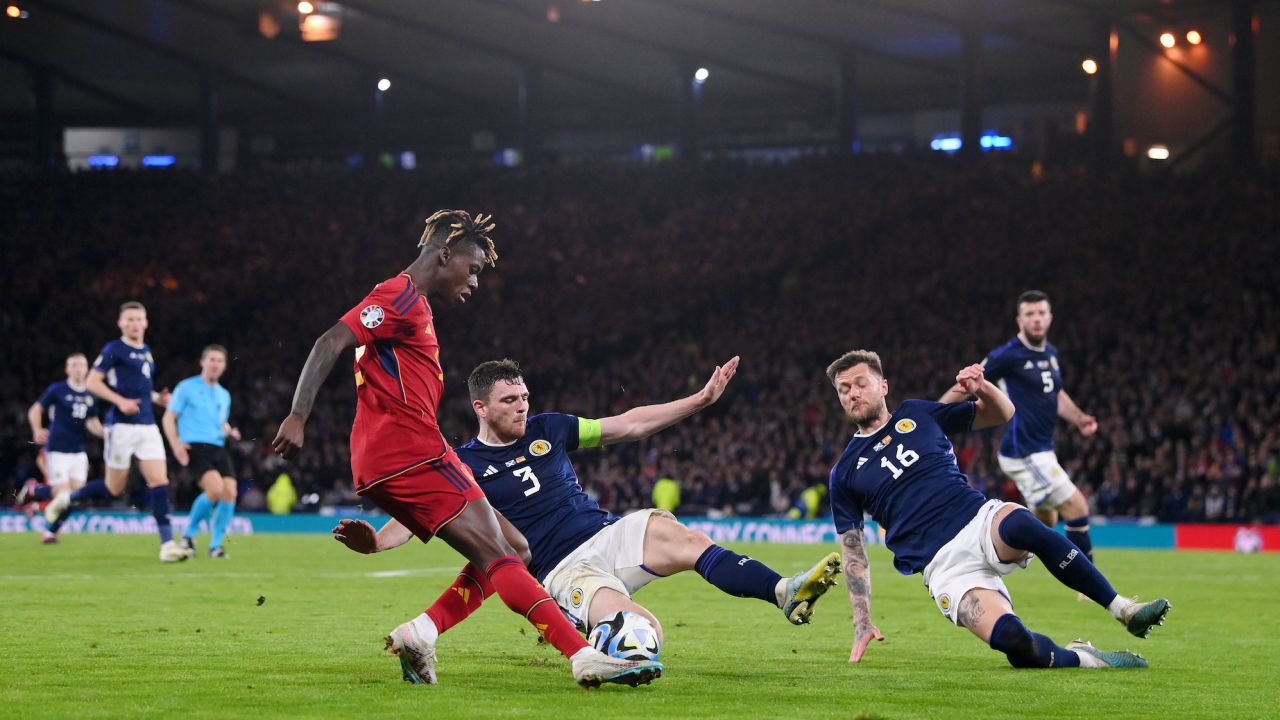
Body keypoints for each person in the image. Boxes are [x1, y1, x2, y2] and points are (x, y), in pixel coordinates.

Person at [270, 210, 660, 689]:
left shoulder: (414, 307)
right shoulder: (400, 296)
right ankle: (582, 655)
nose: (474, 282)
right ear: (445, 254)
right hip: (410, 452)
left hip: (392, 457)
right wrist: (297, 414)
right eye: (472, 269)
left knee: (514, 545)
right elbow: (330, 341)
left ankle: (420, 633)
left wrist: (377, 540)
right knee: (503, 556)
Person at [333, 357, 840, 683]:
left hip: (607, 532)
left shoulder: (549, 429)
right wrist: (378, 543)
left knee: (682, 535)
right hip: (561, 570)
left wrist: (701, 400)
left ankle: (783, 590)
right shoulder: (464, 463)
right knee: (638, 629)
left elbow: (630, 423)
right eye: (510, 400)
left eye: (525, 396)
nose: (522, 407)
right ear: (480, 407)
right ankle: (621, 650)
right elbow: (425, 516)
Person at [827, 349, 1170, 669]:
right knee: (1017, 644)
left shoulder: (917, 413)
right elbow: (853, 552)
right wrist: (862, 621)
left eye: (860, 384)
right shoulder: (844, 472)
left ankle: (1124, 609)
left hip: (979, 521)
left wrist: (983, 387)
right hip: (944, 568)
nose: (852, 394)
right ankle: (1085, 657)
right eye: (844, 389)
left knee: (1024, 525)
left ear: (883, 385)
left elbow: (1003, 412)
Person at [941, 290, 1100, 565]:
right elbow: (968, 383)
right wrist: (934, 416)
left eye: (1041, 313)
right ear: (1019, 320)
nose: (1036, 320)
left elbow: (1056, 394)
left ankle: (986, 553)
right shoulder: (1008, 355)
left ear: (1049, 318)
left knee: (1045, 521)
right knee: (1077, 506)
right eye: (1030, 314)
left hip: (1042, 450)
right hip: (1023, 451)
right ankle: (1087, 582)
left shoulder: (1050, 354)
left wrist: (1079, 418)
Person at [44, 302, 184, 562]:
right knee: (113, 489)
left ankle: (167, 545)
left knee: (160, 481)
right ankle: (67, 499)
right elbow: (92, 382)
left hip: (147, 425)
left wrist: (157, 398)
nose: (134, 323)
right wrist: (119, 401)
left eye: (138, 319)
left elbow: (139, 389)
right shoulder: (113, 349)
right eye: (129, 319)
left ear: (146, 323)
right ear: (121, 323)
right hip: (120, 427)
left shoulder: (146, 351)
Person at [163, 344, 240, 558]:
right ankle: (188, 535)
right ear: (203, 362)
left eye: (220, 361)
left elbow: (220, 422)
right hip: (195, 446)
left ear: (224, 366)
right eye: (212, 360)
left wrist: (229, 432)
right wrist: (176, 443)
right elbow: (169, 417)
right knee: (214, 489)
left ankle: (215, 546)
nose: (216, 364)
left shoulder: (224, 395)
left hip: (218, 446)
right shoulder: (186, 387)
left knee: (230, 492)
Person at [20, 353, 104, 543]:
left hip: (79, 452)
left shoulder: (91, 394)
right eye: (73, 365)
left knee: (76, 498)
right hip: (57, 450)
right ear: (67, 369)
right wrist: (37, 429)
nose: (78, 368)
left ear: (87, 369)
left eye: (81, 365)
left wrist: (108, 434)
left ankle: (50, 530)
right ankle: (35, 491)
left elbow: (92, 423)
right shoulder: (57, 390)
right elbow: (35, 409)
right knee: (63, 494)